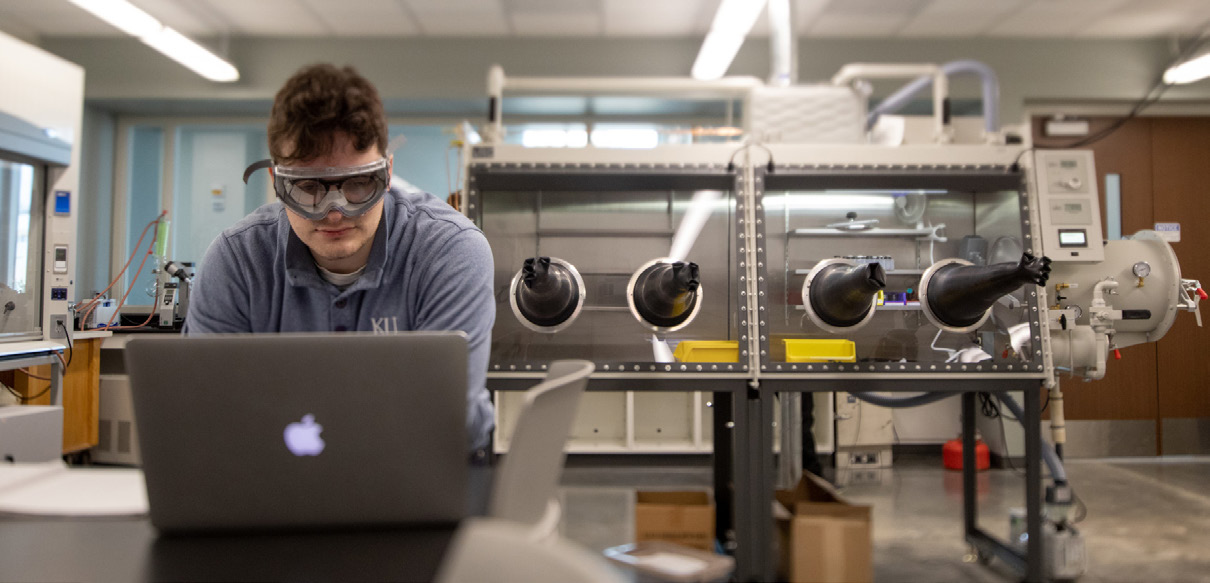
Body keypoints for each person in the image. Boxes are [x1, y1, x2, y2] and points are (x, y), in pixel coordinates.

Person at [184, 64, 496, 455]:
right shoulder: (237, 262)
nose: (335, 212)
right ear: (277, 184)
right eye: (308, 187)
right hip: (272, 480)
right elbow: (206, 416)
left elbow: (447, 420)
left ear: (387, 173)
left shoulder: (450, 252)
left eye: (359, 183)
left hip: (422, 474)